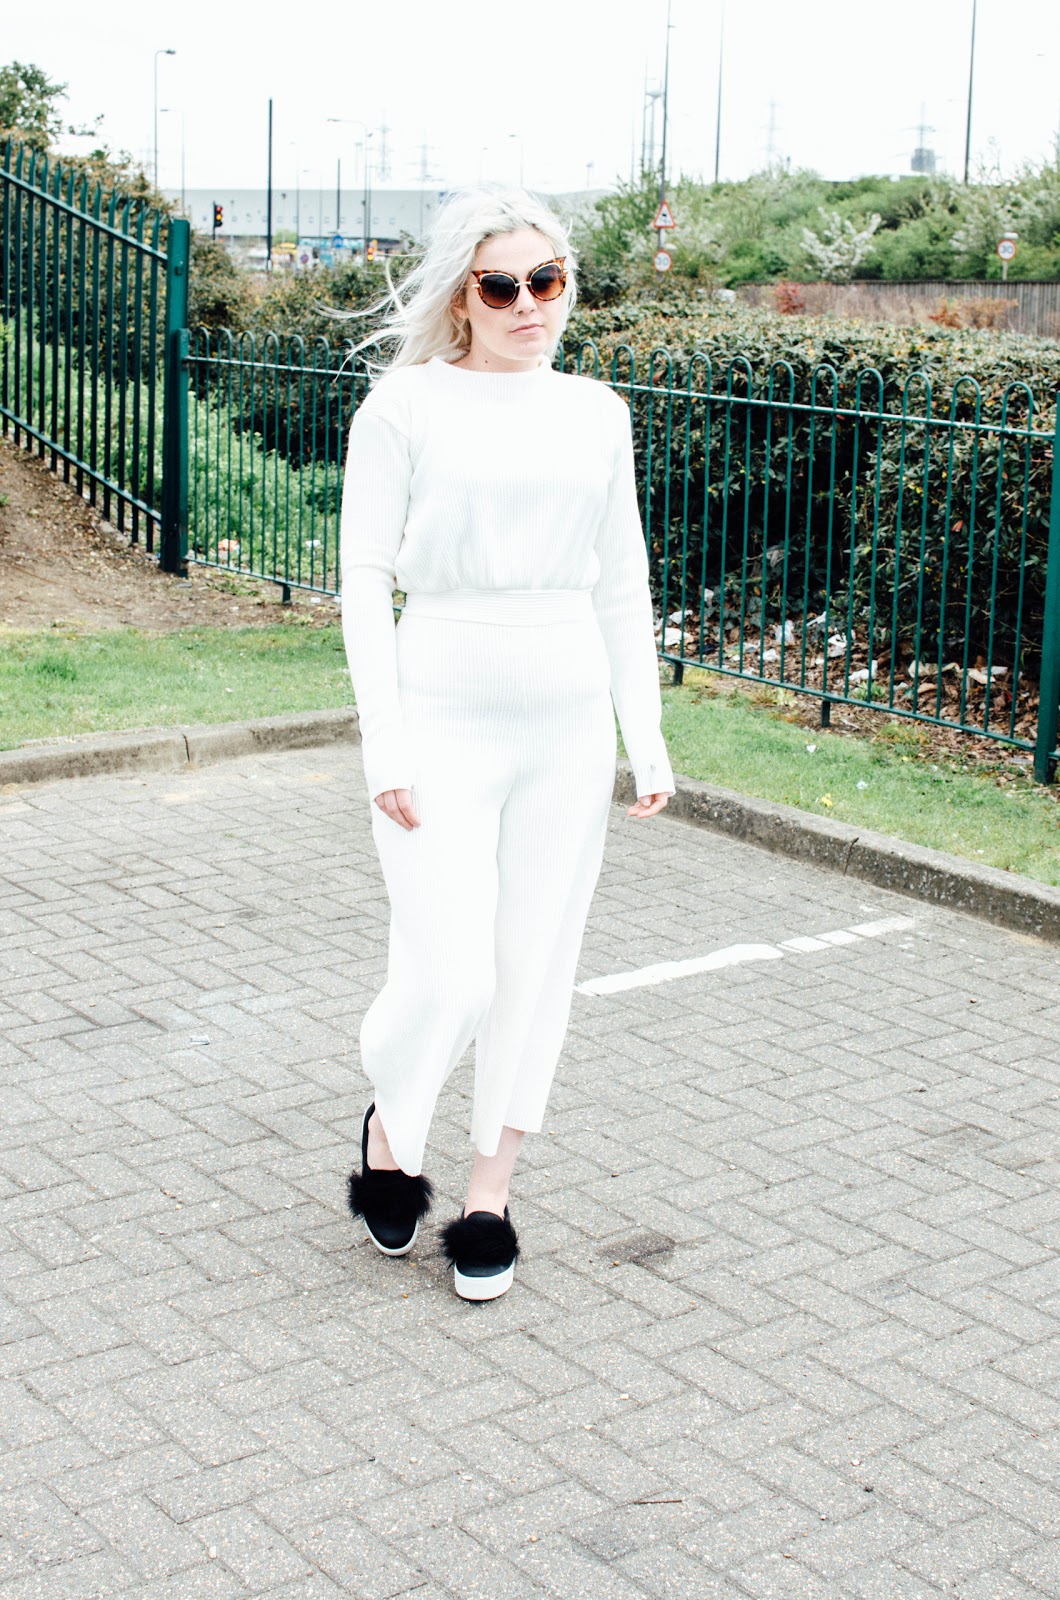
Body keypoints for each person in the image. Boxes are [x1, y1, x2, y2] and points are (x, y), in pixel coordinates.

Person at [339, 185, 675, 1301]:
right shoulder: (403, 406)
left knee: (534, 963)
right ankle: (392, 1125)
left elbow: (622, 582)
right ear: (462, 298)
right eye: (501, 285)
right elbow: (363, 580)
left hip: (565, 715)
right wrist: (383, 746)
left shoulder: (597, 413)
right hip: (440, 701)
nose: (529, 303)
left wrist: (644, 732)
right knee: (449, 970)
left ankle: (489, 1195)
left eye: (548, 280)